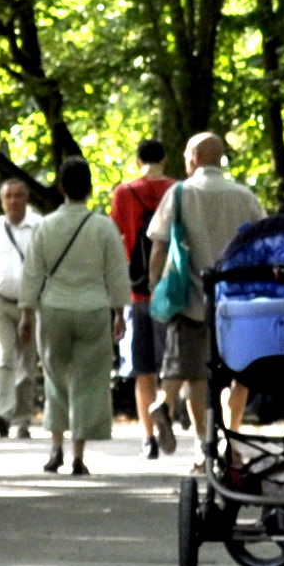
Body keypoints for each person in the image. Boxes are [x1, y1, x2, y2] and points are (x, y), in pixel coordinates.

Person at [136, 133, 262, 460]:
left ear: (193, 157)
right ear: (220, 158)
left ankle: (203, 447)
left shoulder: (179, 193)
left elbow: (159, 247)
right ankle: (230, 442)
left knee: (195, 375)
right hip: (236, 303)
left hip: (190, 300)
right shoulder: (244, 196)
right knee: (238, 374)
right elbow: (261, 244)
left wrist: (154, 287)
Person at [24, 155, 126, 472]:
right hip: (94, 308)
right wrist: (120, 313)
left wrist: (26, 313)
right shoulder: (103, 228)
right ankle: (79, 455)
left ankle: (56, 449)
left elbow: (32, 273)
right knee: (89, 382)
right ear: (90, 188)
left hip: (53, 308)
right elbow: (117, 274)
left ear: (60, 187)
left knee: (55, 380)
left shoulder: (44, 226)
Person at [107, 137, 175, 429]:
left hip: (135, 290)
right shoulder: (177, 190)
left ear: (138, 161)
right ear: (165, 160)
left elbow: (114, 240)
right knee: (172, 366)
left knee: (142, 370)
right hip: (172, 289)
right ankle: (168, 417)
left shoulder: (124, 193)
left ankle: (149, 437)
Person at [0, 176, 45, 439]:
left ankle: (23, 419)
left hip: (32, 303)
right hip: (0, 301)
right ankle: (1, 414)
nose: (13, 200)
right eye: (8, 196)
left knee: (27, 362)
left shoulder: (39, 226)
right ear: (2, 201)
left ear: (26, 199)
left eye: (18, 195)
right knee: (5, 355)